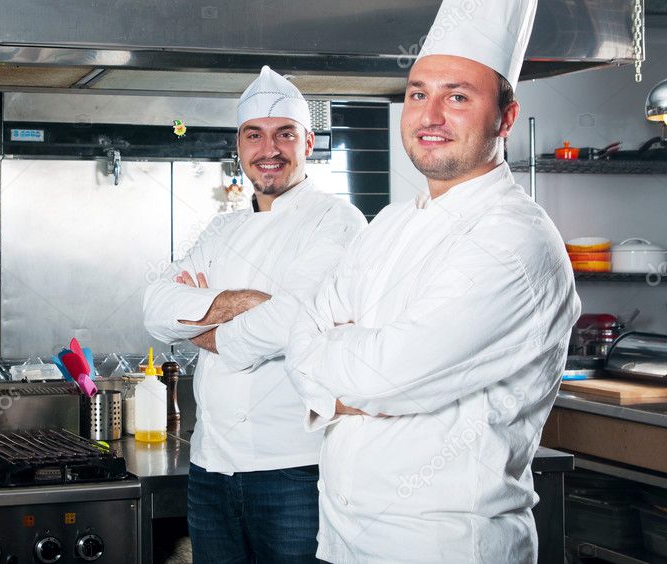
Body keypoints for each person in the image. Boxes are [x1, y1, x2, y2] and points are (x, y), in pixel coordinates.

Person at [284, 1, 581, 562]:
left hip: (444, 544)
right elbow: (300, 342)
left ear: (506, 117)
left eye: (458, 96)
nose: (431, 115)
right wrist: (350, 368)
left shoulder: (515, 243)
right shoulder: (393, 221)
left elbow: (380, 375)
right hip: (343, 539)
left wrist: (344, 360)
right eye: (419, 93)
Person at [143, 66, 366, 563]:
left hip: (294, 469)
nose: (270, 150)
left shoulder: (338, 220)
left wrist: (206, 327)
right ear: (239, 144)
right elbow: (156, 309)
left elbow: (295, 321)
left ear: (308, 140)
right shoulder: (221, 230)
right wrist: (245, 303)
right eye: (255, 135)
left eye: (285, 134)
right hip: (211, 468)